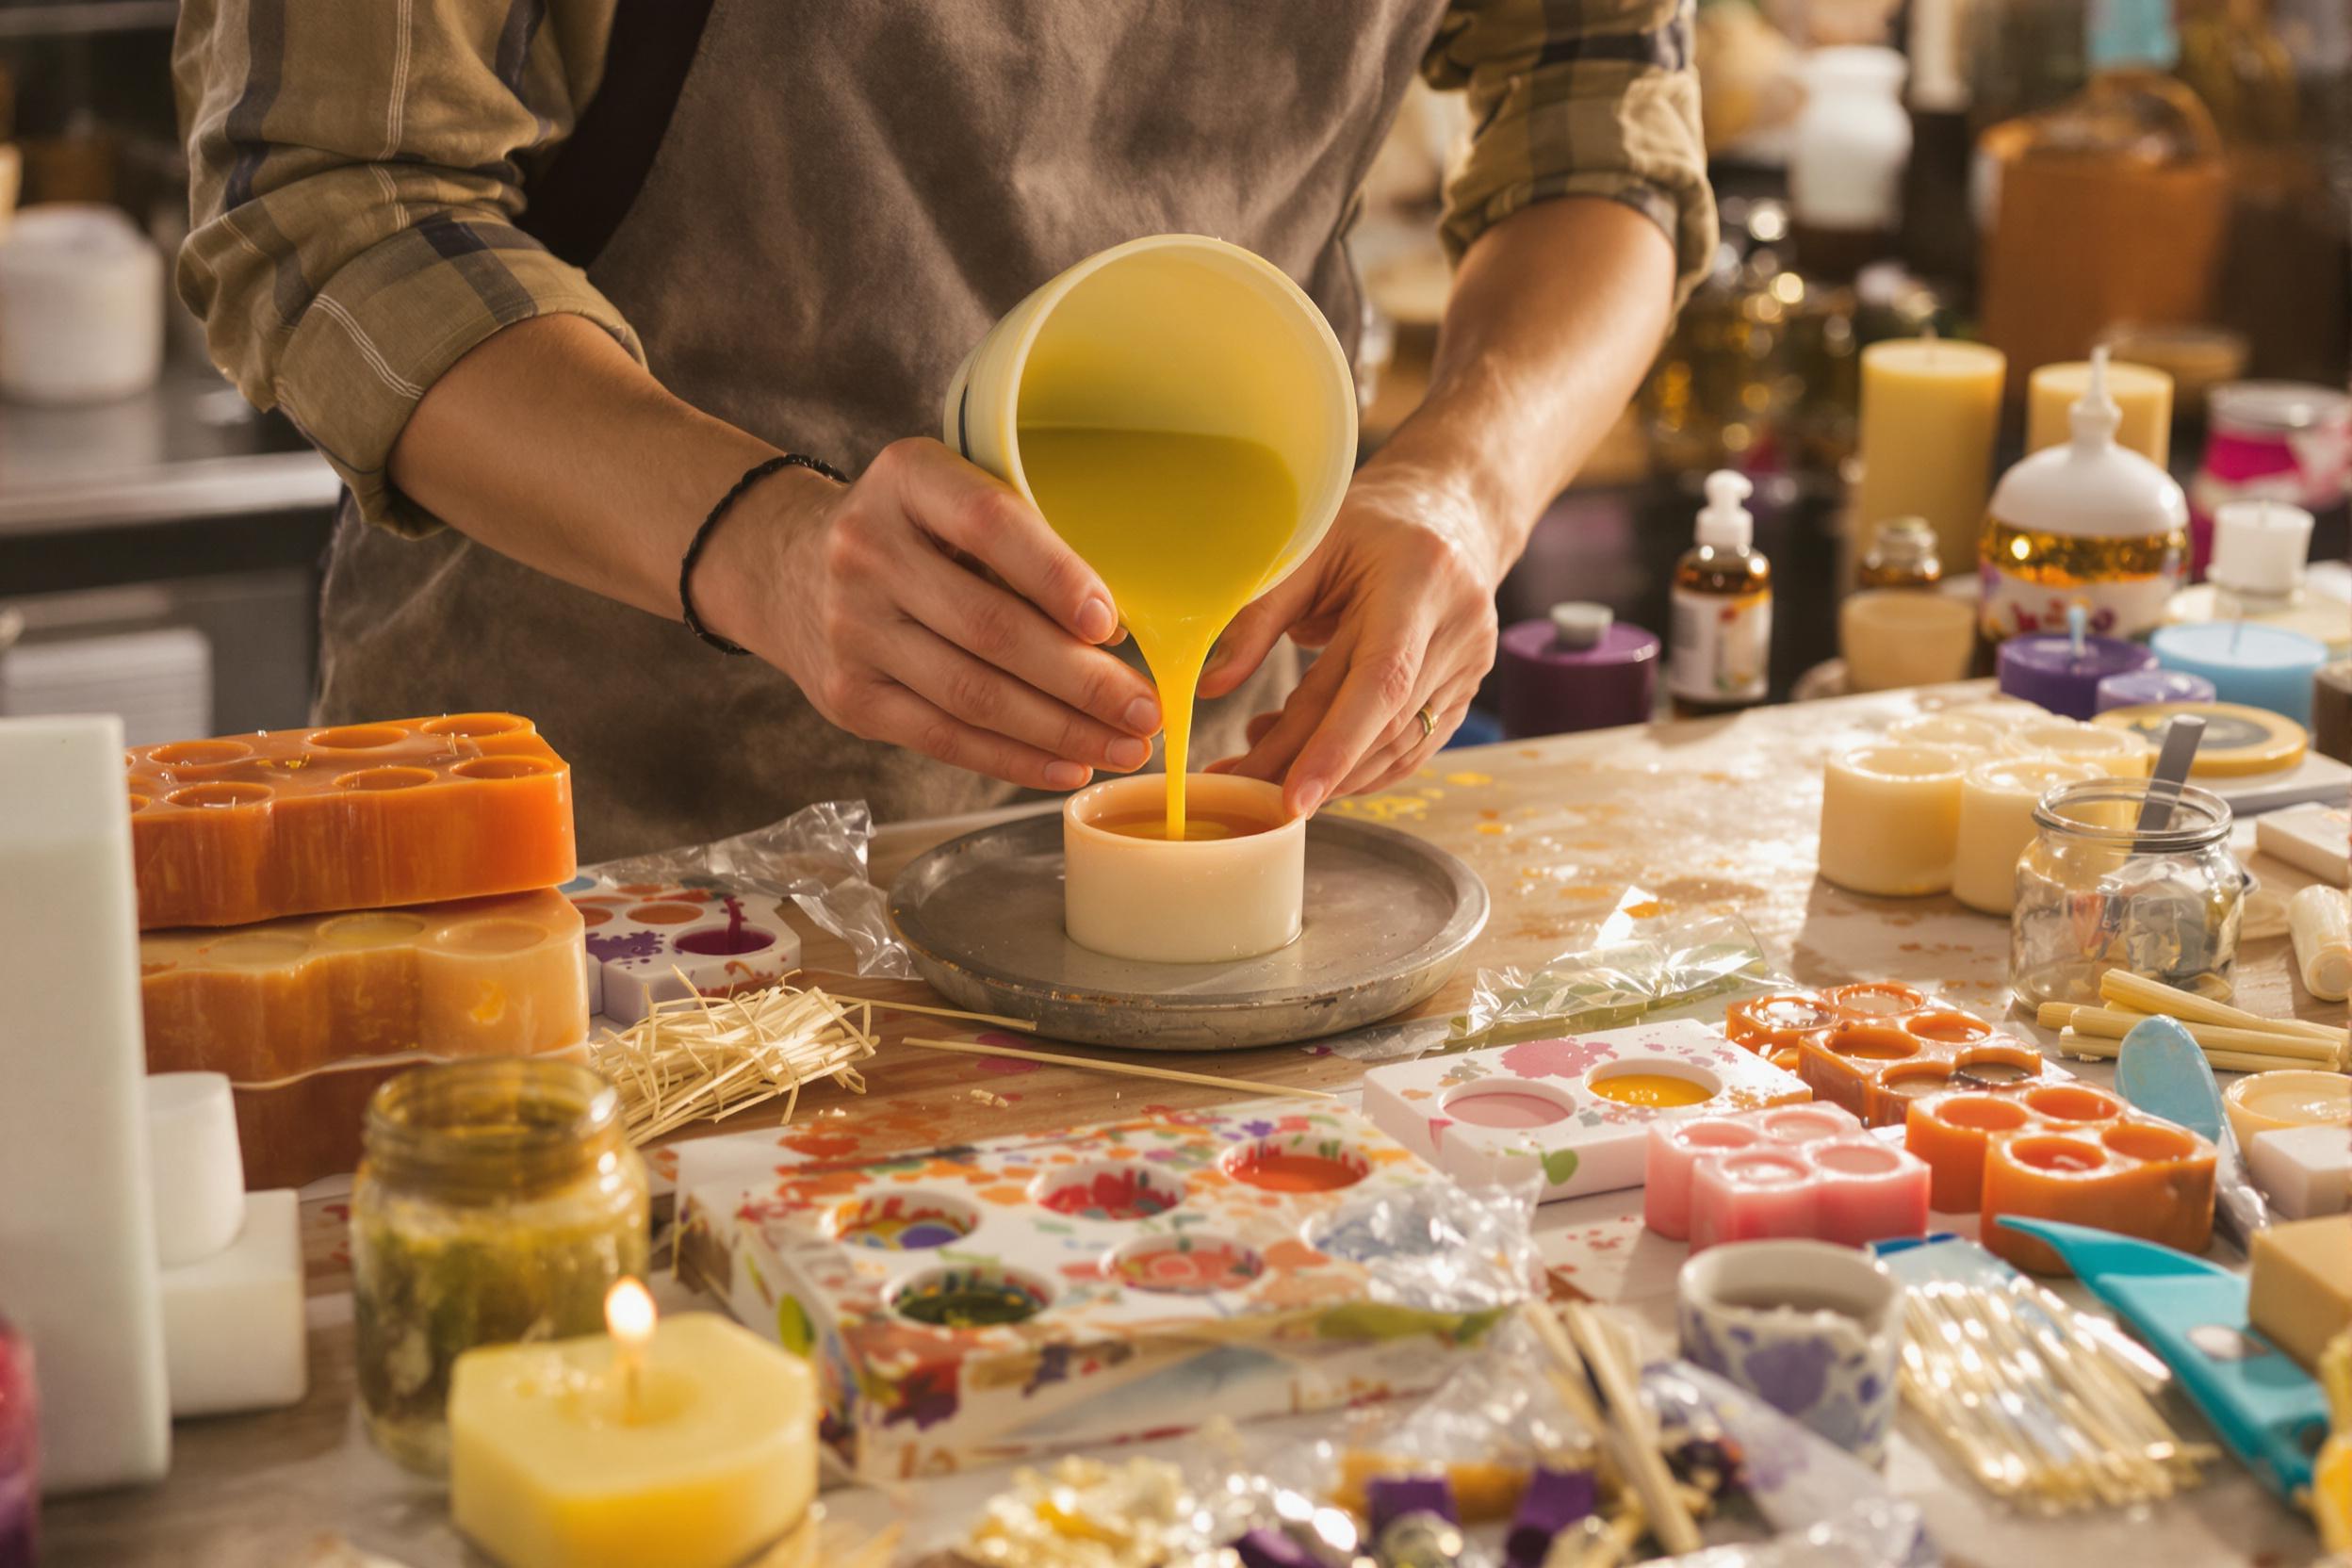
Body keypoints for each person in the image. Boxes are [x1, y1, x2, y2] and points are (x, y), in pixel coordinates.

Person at [175, 0, 1712, 858]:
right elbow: (328, 202)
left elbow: (1601, 112)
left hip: (1186, 797)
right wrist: (762, 541)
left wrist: (1465, 484)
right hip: (601, 853)